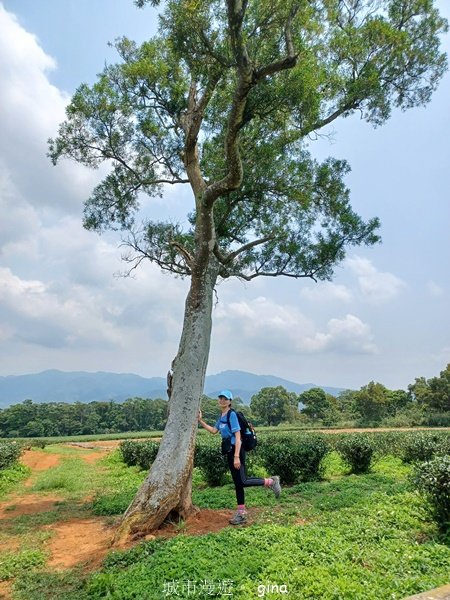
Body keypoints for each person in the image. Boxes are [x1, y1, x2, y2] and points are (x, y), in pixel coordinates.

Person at [198, 389, 281, 525]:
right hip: (229, 451)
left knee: (242, 481)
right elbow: (213, 431)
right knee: (238, 483)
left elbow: (238, 438)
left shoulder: (232, 415)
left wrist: (236, 456)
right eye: (220, 398)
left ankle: (271, 482)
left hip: (237, 451)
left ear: (230, 401)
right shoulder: (222, 416)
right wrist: (200, 420)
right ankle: (241, 513)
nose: (222, 400)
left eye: (225, 398)